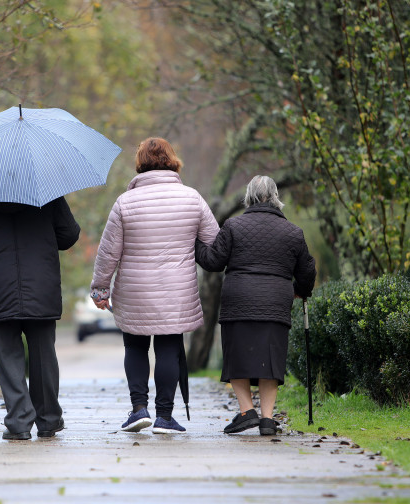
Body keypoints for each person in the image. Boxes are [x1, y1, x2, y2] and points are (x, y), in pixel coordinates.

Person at [90, 137, 219, 434]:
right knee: (169, 349)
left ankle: (138, 410)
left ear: (140, 163)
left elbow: (109, 252)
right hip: (177, 290)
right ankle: (164, 417)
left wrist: (100, 289)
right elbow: (215, 243)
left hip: (134, 290)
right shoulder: (192, 198)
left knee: (135, 346)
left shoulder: (125, 202)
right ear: (172, 160)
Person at [195, 175, 316, 435]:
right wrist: (299, 291)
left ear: (248, 197)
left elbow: (214, 262)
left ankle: (246, 411)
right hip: (275, 303)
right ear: (276, 198)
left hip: (238, 301)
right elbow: (307, 270)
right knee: (270, 361)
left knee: (237, 357)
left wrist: (195, 242)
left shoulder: (233, 226)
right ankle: (267, 419)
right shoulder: (293, 232)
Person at [0, 198, 80, 440]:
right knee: (44, 355)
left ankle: (19, 422)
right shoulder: (46, 192)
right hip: (41, 287)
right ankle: (49, 420)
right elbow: (68, 235)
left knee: (7, 356)